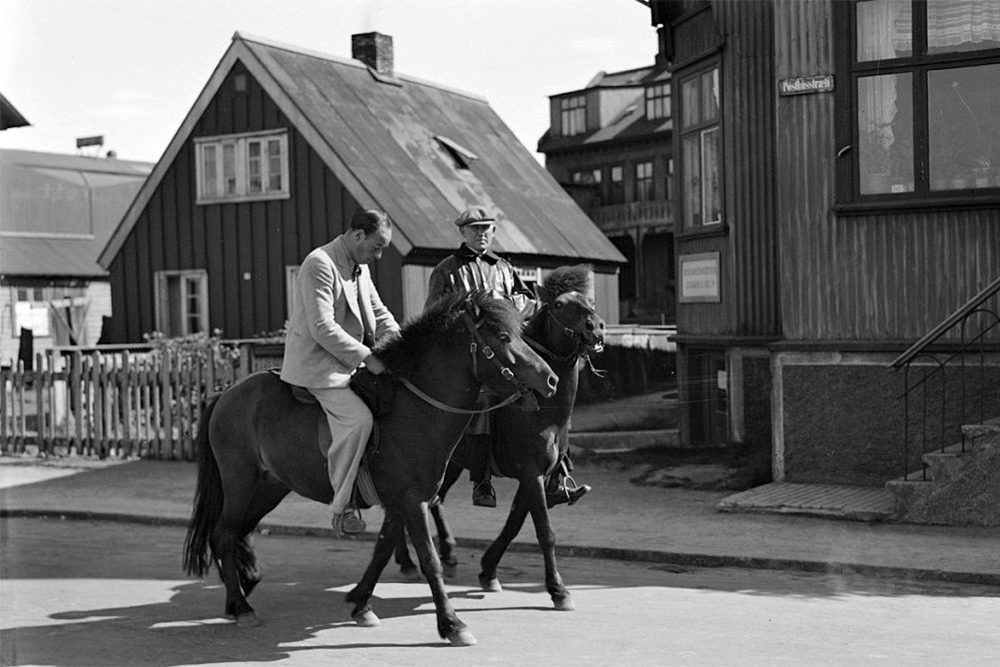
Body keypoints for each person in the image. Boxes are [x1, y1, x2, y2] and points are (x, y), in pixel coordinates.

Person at [425, 205, 589, 509]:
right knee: (485, 400)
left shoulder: (503, 267)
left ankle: (557, 474)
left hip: (508, 351)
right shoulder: (446, 270)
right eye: (474, 229)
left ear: (494, 232)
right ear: (462, 233)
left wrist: (510, 310)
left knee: (554, 395)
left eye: (486, 228)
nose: (481, 234)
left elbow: (528, 302)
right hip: (471, 360)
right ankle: (482, 480)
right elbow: (431, 320)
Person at [281, 209, 400, 536]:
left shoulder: (359, 266)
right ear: (358, 235)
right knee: (358, 420)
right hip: (319, 366)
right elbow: (322, 328)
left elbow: (380, 312)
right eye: (377, 247)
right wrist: (368, 358)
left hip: (350, 362)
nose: (378, 255)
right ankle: (342, 507)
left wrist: (404, 345)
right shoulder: (319, 263)